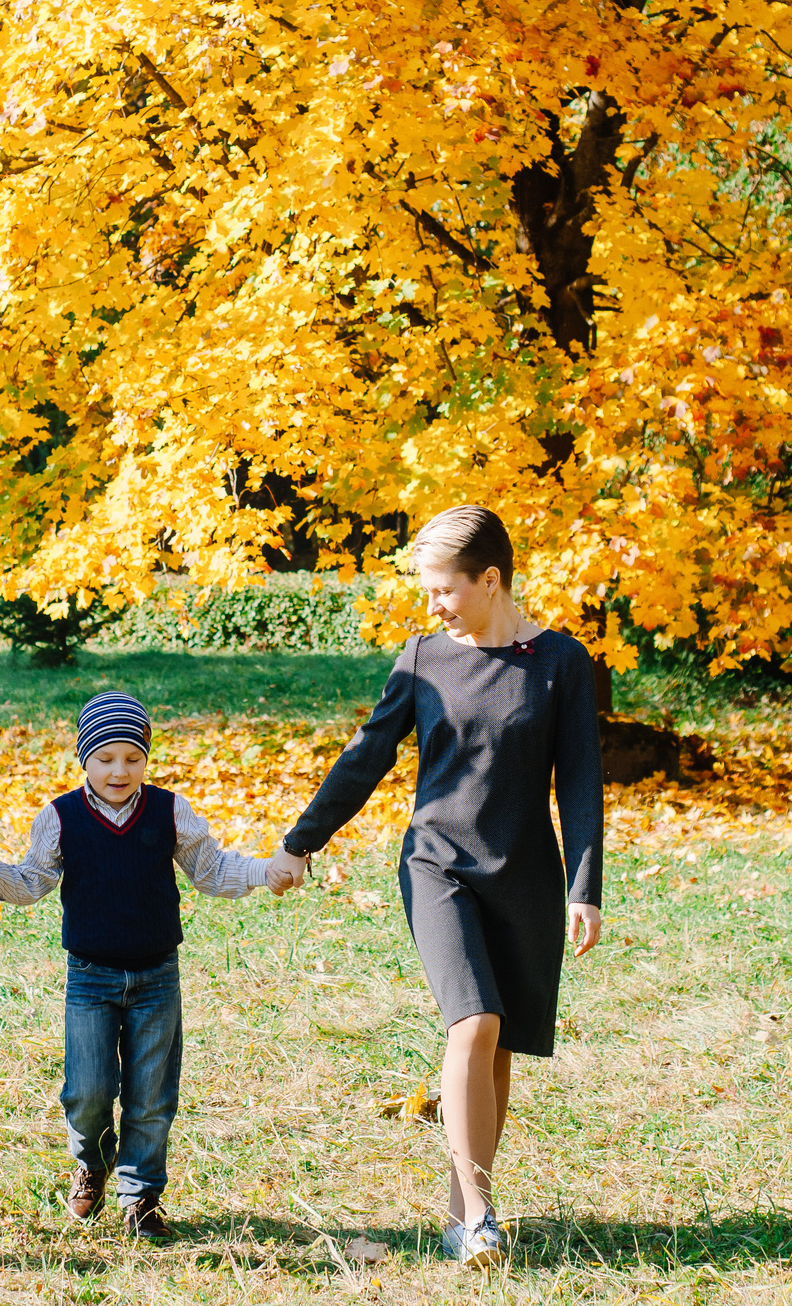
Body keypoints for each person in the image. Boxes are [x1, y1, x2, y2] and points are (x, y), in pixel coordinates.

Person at [268, 505, 603, 1269]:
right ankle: (481, 1214)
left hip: (525, 877)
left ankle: (465, 1217)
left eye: (445, 589)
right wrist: (301, 842)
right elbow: (365, 757)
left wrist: (585, 886)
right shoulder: (422, 660)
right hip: (438, 866)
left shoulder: (561, 663)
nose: (433, 605)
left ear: (491, 581)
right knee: (474, 1021)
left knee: (500, 1048)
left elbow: (581, 780)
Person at [0, 690, 284, 1240]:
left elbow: (211, 871)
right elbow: (33, 882)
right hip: (91, 978)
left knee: (151, 1095)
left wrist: (264, 872)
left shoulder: (169, 811)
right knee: (87, 1093)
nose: (120, 769)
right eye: (105, 758)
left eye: (133, 757)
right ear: (84, 760)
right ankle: (91, 1161)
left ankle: (141, 1196)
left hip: (157, 976)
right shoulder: (60, 818)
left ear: (146, 758)